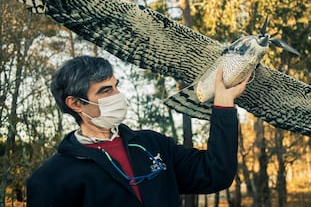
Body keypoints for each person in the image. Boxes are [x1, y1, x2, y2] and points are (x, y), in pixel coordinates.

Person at [26, 55, 249, 206]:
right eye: (105, 91)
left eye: (116, 86)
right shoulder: (50, 178)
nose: (117, 95)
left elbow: (215, 174)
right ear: (75, 103)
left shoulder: (152, 144)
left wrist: (224, 104)